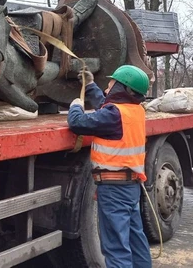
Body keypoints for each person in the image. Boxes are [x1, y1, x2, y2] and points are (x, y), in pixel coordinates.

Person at [67, 65, 152, 268]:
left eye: (112, 83)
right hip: (130, 187)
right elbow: (105, 105)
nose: (108, 87)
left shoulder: (114, 116)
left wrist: (76, 106)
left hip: (114, 191)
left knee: (116, 248)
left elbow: (77, 123)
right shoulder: (135, 111)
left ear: (122, 88)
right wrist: (90, 85)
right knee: (136, 240)